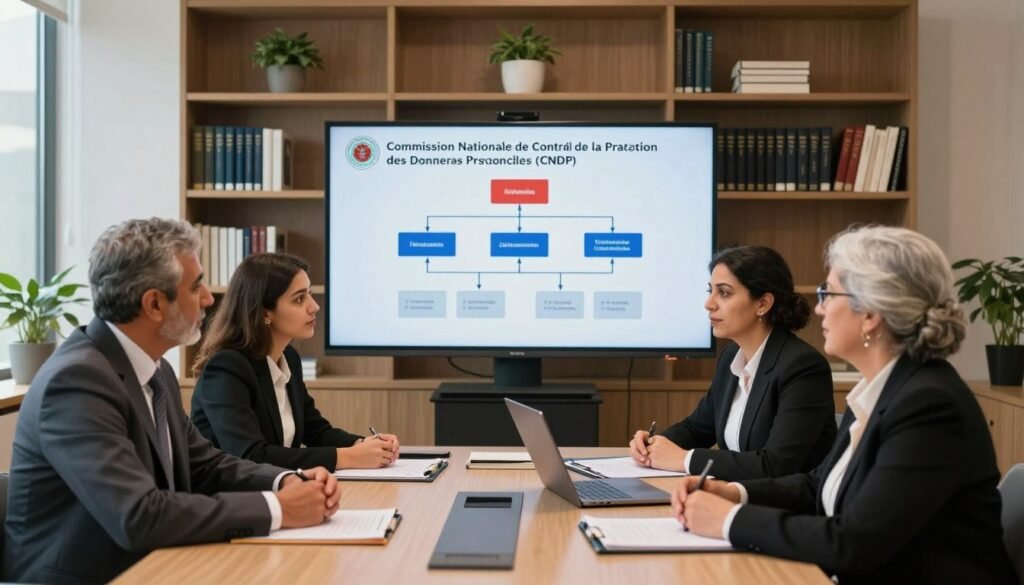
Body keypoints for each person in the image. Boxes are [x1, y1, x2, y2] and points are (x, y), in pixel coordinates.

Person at [671, 226, 1017, 585]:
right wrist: (734, 493)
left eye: (828, 293)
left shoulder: (929, 406)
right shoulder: (878, 388)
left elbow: (853, 543)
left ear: (870, 313)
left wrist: (728, 520)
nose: (819, 308)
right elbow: (817, 485)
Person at [2, 218, 340, 585]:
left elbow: (205, 464)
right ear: (154, 304)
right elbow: (138, 515)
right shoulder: (76, 382)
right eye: (196, 287)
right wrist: (278, 508)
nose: (209, 299)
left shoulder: (156, 369)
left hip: (155, 565)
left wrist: (286, 480)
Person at [629, 246, 836, 480]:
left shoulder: (802, 367)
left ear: (763, 304)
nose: (709, 303)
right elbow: (698, 428)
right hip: (734, 494)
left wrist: (684, 459)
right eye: (710, 291)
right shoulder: (731, 357)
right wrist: (654, 445)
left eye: (724, 293)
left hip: (785, 501)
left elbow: (776, 465)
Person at [190, 252, 399, 470]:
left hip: (275, 486)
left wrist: (365, 445)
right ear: (265, 314)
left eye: (310, 294)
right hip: (227, 490)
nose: (314, 306)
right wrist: (348, 457)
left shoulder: (288, 357)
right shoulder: (226, 368)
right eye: (299, 299)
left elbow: (316, 432)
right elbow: (251, 455)